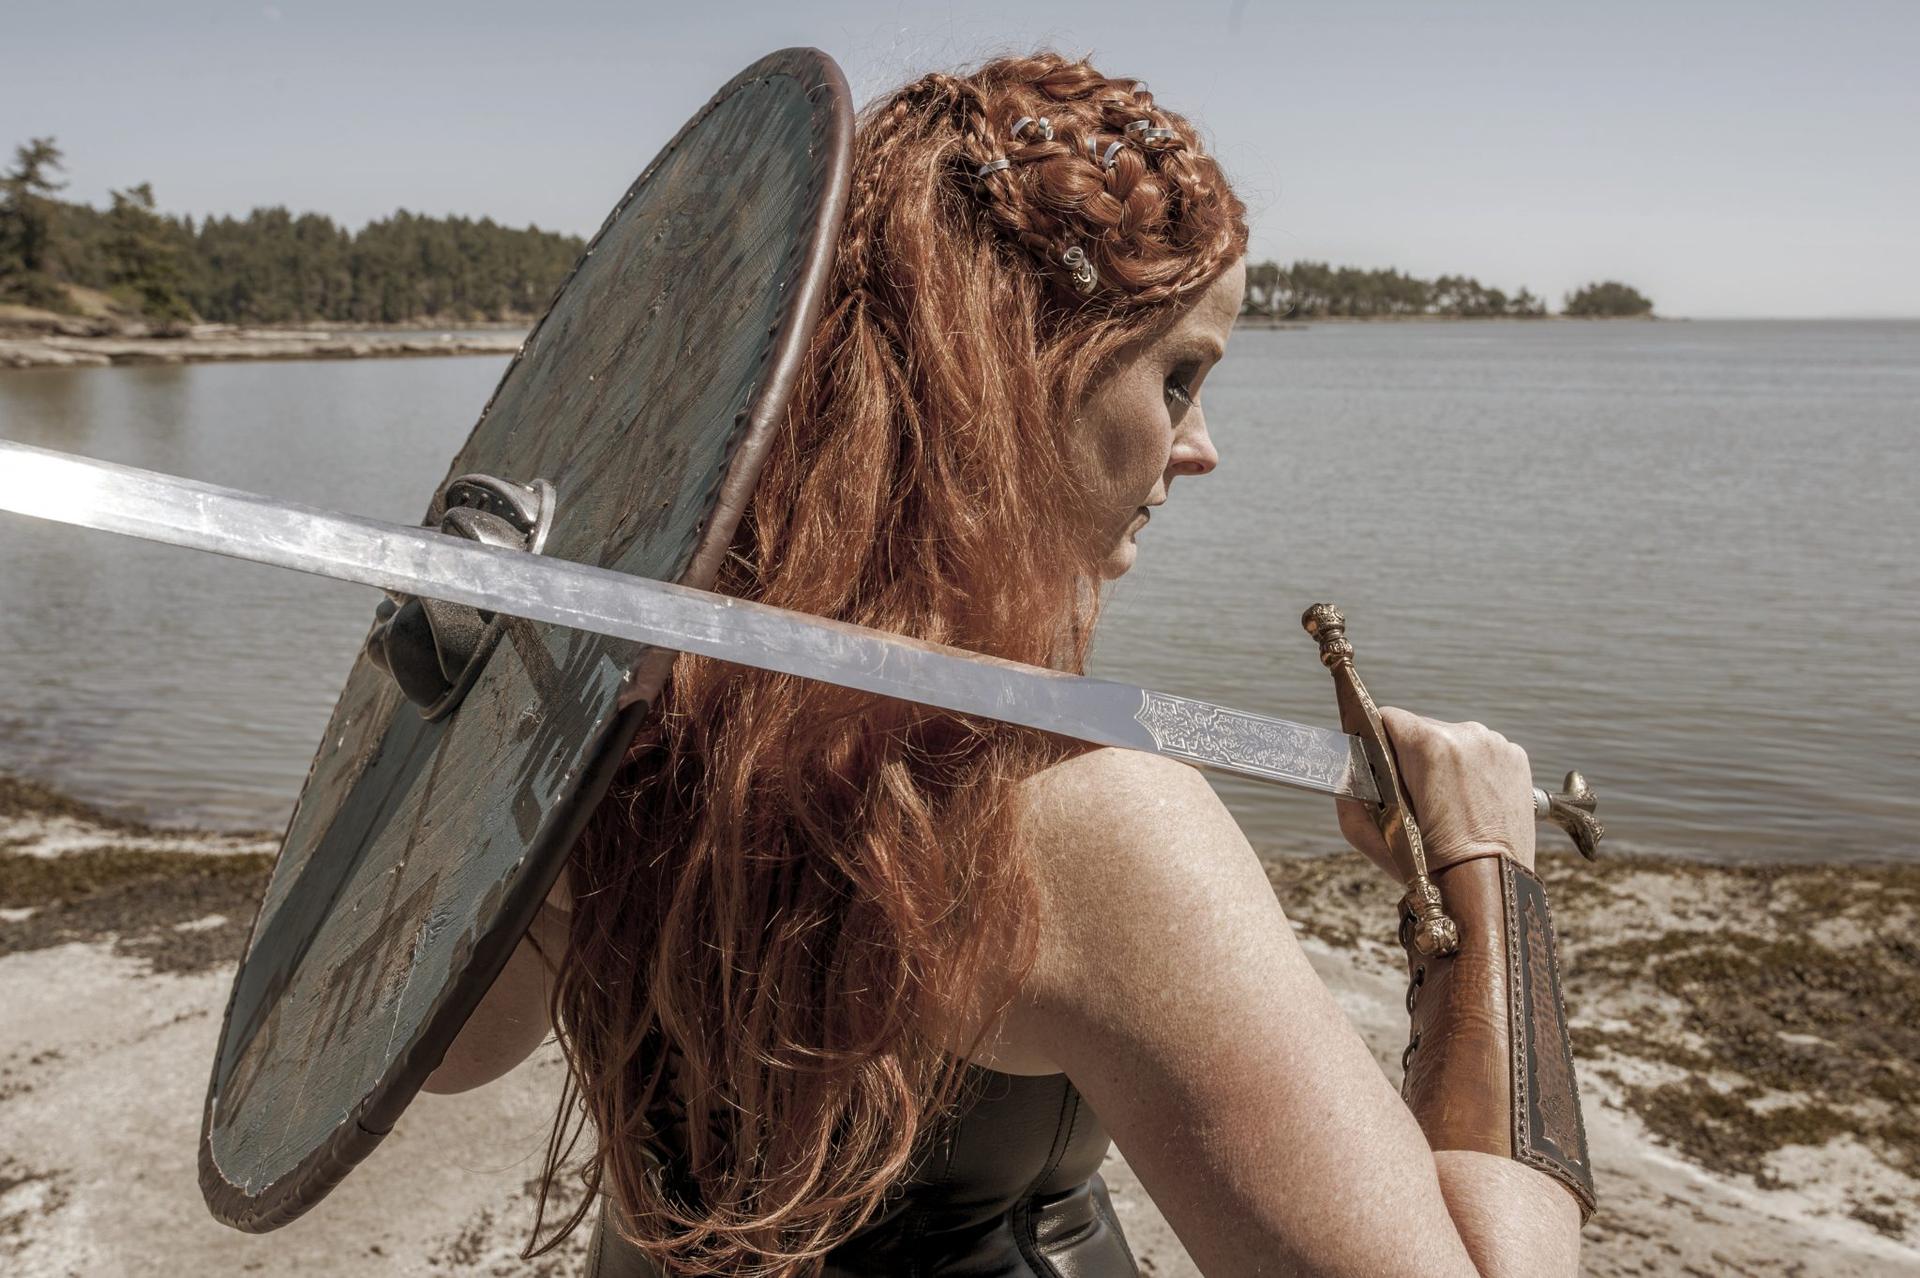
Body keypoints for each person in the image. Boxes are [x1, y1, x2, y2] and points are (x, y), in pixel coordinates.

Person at [423, 50, 1593, 1278]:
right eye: (1177, 377)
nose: (1201, 447)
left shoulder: (641, 715)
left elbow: (447, 1054)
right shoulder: (1087, 821)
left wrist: (498, 735)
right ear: (1014, 379)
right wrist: (1487, 880)